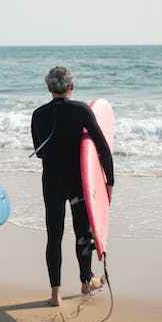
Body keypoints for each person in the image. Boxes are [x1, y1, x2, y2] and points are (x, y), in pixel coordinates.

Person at [31, 66, 115, 306]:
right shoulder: (81, 110)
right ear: (71, 86)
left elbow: (39, 152)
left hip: (52, 182)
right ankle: (86, 282)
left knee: (54, 235)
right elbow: (102, 147)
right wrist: (109, 181)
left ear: (49, 87)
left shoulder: (38, 114)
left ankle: (55, 293)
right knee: (82, 232)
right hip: (78, 182)